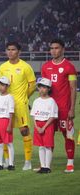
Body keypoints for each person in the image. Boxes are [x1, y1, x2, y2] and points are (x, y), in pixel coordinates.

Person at [41, 39, 77, 173]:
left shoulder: (69, 67)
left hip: (63, 108)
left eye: (56, 48)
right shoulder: (45, 66)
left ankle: (70, 163)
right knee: (47, 135)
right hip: (49, 109)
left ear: (63, 49)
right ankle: (46, 164)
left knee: (67, 134)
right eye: (51, 48)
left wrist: (72, 108)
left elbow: (73, 89)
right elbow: (44, 89)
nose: (53, 51)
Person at [0, 42, 36, 170]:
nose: (10, 52)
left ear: (19, 51)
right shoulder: (3, 67)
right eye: (8, 49)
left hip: (20, 104)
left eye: (13, 50)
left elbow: (32, 85)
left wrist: (25, 97)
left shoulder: (26, 67)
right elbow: (1, 85)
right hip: (5, 103)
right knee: (4, 131)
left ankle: (27, 161)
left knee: (24, 131)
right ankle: (7, 160)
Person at [30, 78, 58, 174]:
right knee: (41, 146)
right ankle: (42, 166)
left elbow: (52, 116)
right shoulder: (36, 101)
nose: (41, 89)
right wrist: (37, 126)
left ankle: (47, 167)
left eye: (44, 87)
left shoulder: (51, 101)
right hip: (38, 124)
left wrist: (44, 127)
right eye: (40, 87)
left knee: (48, 146)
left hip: (47, 125)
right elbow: (33, 115)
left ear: (49, 89)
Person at [0, 76, 15, 171]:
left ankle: (11, 164)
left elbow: (11, 112)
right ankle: (0, 164)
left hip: (5, 121)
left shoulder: (10, 97)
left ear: (7, 86)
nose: (0, 87)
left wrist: (10, 125)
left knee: (9, 143)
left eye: (2, 85)